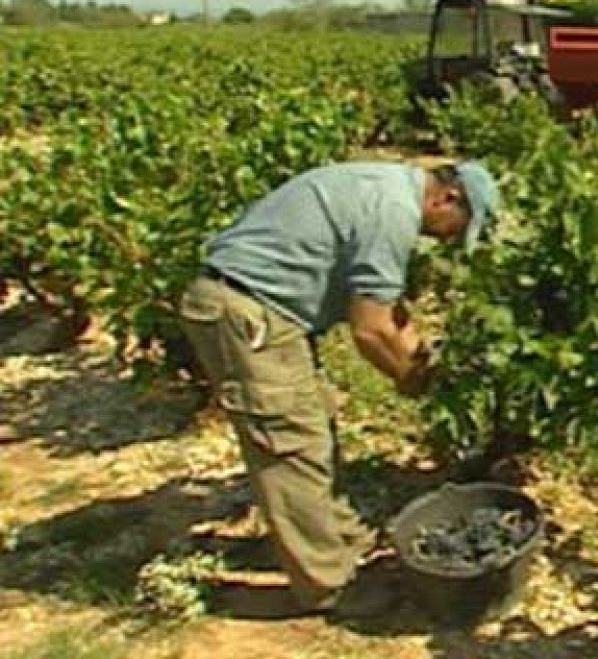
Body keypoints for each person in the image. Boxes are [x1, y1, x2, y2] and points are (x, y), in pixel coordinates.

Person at [178, 161, 499, 617]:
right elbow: (370, 331)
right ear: (447, 199)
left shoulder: (386, 187)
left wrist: (422, 356)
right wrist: (413, 382)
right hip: (247, 313)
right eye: (456, 228)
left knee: (313, 425)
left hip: (264, 310)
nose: (447, 239)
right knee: (290, 445)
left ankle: (337, 539)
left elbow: (389, 308)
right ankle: (329, 588)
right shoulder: (393, 212)